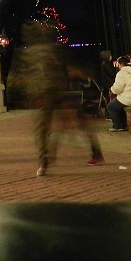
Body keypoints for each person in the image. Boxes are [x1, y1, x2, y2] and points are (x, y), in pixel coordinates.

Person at [9, 20, 104, 177]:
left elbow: (25, 76)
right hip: (59, 91)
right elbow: (65, 68)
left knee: (42, 129)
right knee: (76, 124)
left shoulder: (28, 53)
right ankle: (94, 153)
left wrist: (30, 94)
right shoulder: (53, 49)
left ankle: (44, 160)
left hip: (44, 94)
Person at [107, 56, 131, 131]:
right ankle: (124, 124)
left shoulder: (122, 73)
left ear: (121, 64)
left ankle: (118, 126)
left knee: (111, 106)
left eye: (118, 64)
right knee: (119, 105)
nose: (117, 66)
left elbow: (117, 89)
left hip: (130, 99)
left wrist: (112, 90)